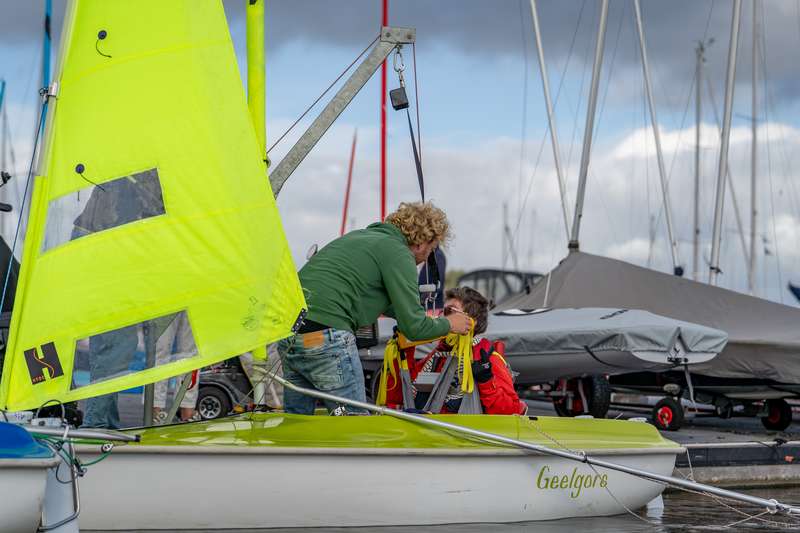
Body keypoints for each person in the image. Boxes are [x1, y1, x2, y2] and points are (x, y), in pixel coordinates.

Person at [278, 201, 471, 415]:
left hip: (289, 336)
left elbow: (372, 297)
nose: (427, 258)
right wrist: (450, 324)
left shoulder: (358, 238)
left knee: (297, 422)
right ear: (421, 243)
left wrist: (424, 318)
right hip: (328, 339)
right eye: (431, 250)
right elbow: (414, 328)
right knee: (355, 424)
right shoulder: (399, 253)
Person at [385, 286, 527, 415]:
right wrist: (404, 351)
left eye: (450, 312)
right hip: (429, 431)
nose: (442, 318)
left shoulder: (487, 359)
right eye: (443, 312)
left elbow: (511, 412)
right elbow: (398, 397)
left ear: (471, 321)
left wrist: (486, 381)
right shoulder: (437, 356)